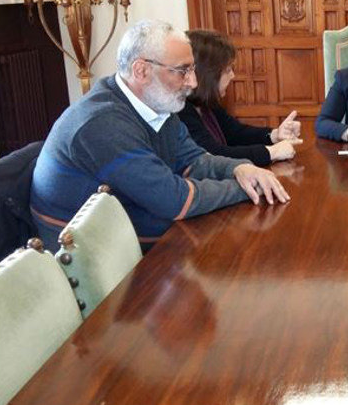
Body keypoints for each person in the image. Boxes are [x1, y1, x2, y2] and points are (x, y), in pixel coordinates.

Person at [31, 20, 289, 252]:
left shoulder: (158, 104)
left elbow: (194, 161)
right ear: (141, 71)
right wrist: (245, 188)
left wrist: (240, 168)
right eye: (182, 71)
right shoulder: (102, 123)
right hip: (90, 255)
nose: (193, 83)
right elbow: (174, 200)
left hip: (132, 227)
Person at [177, 29, 302, 167]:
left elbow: (236, 133)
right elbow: (215, 155)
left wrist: (274, 135)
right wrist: (270, 152)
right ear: (208, 74)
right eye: (228, 70)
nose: (233, 76)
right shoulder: (181, 111)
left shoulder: (206, 104)